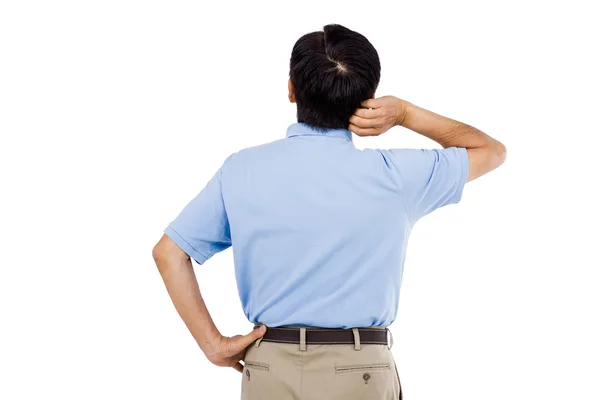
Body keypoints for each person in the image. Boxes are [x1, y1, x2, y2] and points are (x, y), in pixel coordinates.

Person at [152, 23, 506, 399]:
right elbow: (490, 151)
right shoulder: (396, 175)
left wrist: (213, 344)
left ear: (291, 88)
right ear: (368, 98)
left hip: (270, 367)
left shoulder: (241, 170)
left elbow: (169, 252)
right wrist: (404, 113)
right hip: (360, 371)